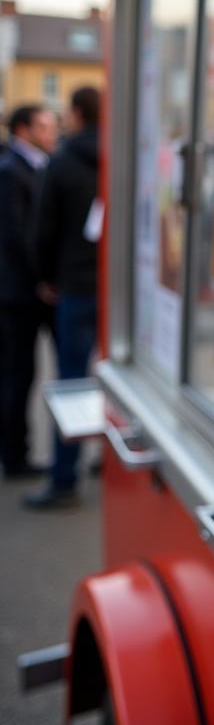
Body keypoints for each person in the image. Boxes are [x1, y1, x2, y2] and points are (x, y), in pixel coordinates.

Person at [23, 87, 100, 508]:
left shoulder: (64, 161)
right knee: (119, 379)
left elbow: (43, 229)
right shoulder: (123, 154)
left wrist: (46, 278)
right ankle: (111, 463)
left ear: (75, 113)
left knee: (71, 381)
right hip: (114, 291)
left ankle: (64, 478)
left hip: (74, 285)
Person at [0, 104, 57, 478]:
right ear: (23, 130)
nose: (51, 133)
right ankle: (14, 457)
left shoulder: (36, 166)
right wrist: (44, 279)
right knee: (16, 375)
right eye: (43, 126)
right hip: (17, 293)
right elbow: (18, 236)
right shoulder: (10, 170)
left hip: (31, 290)